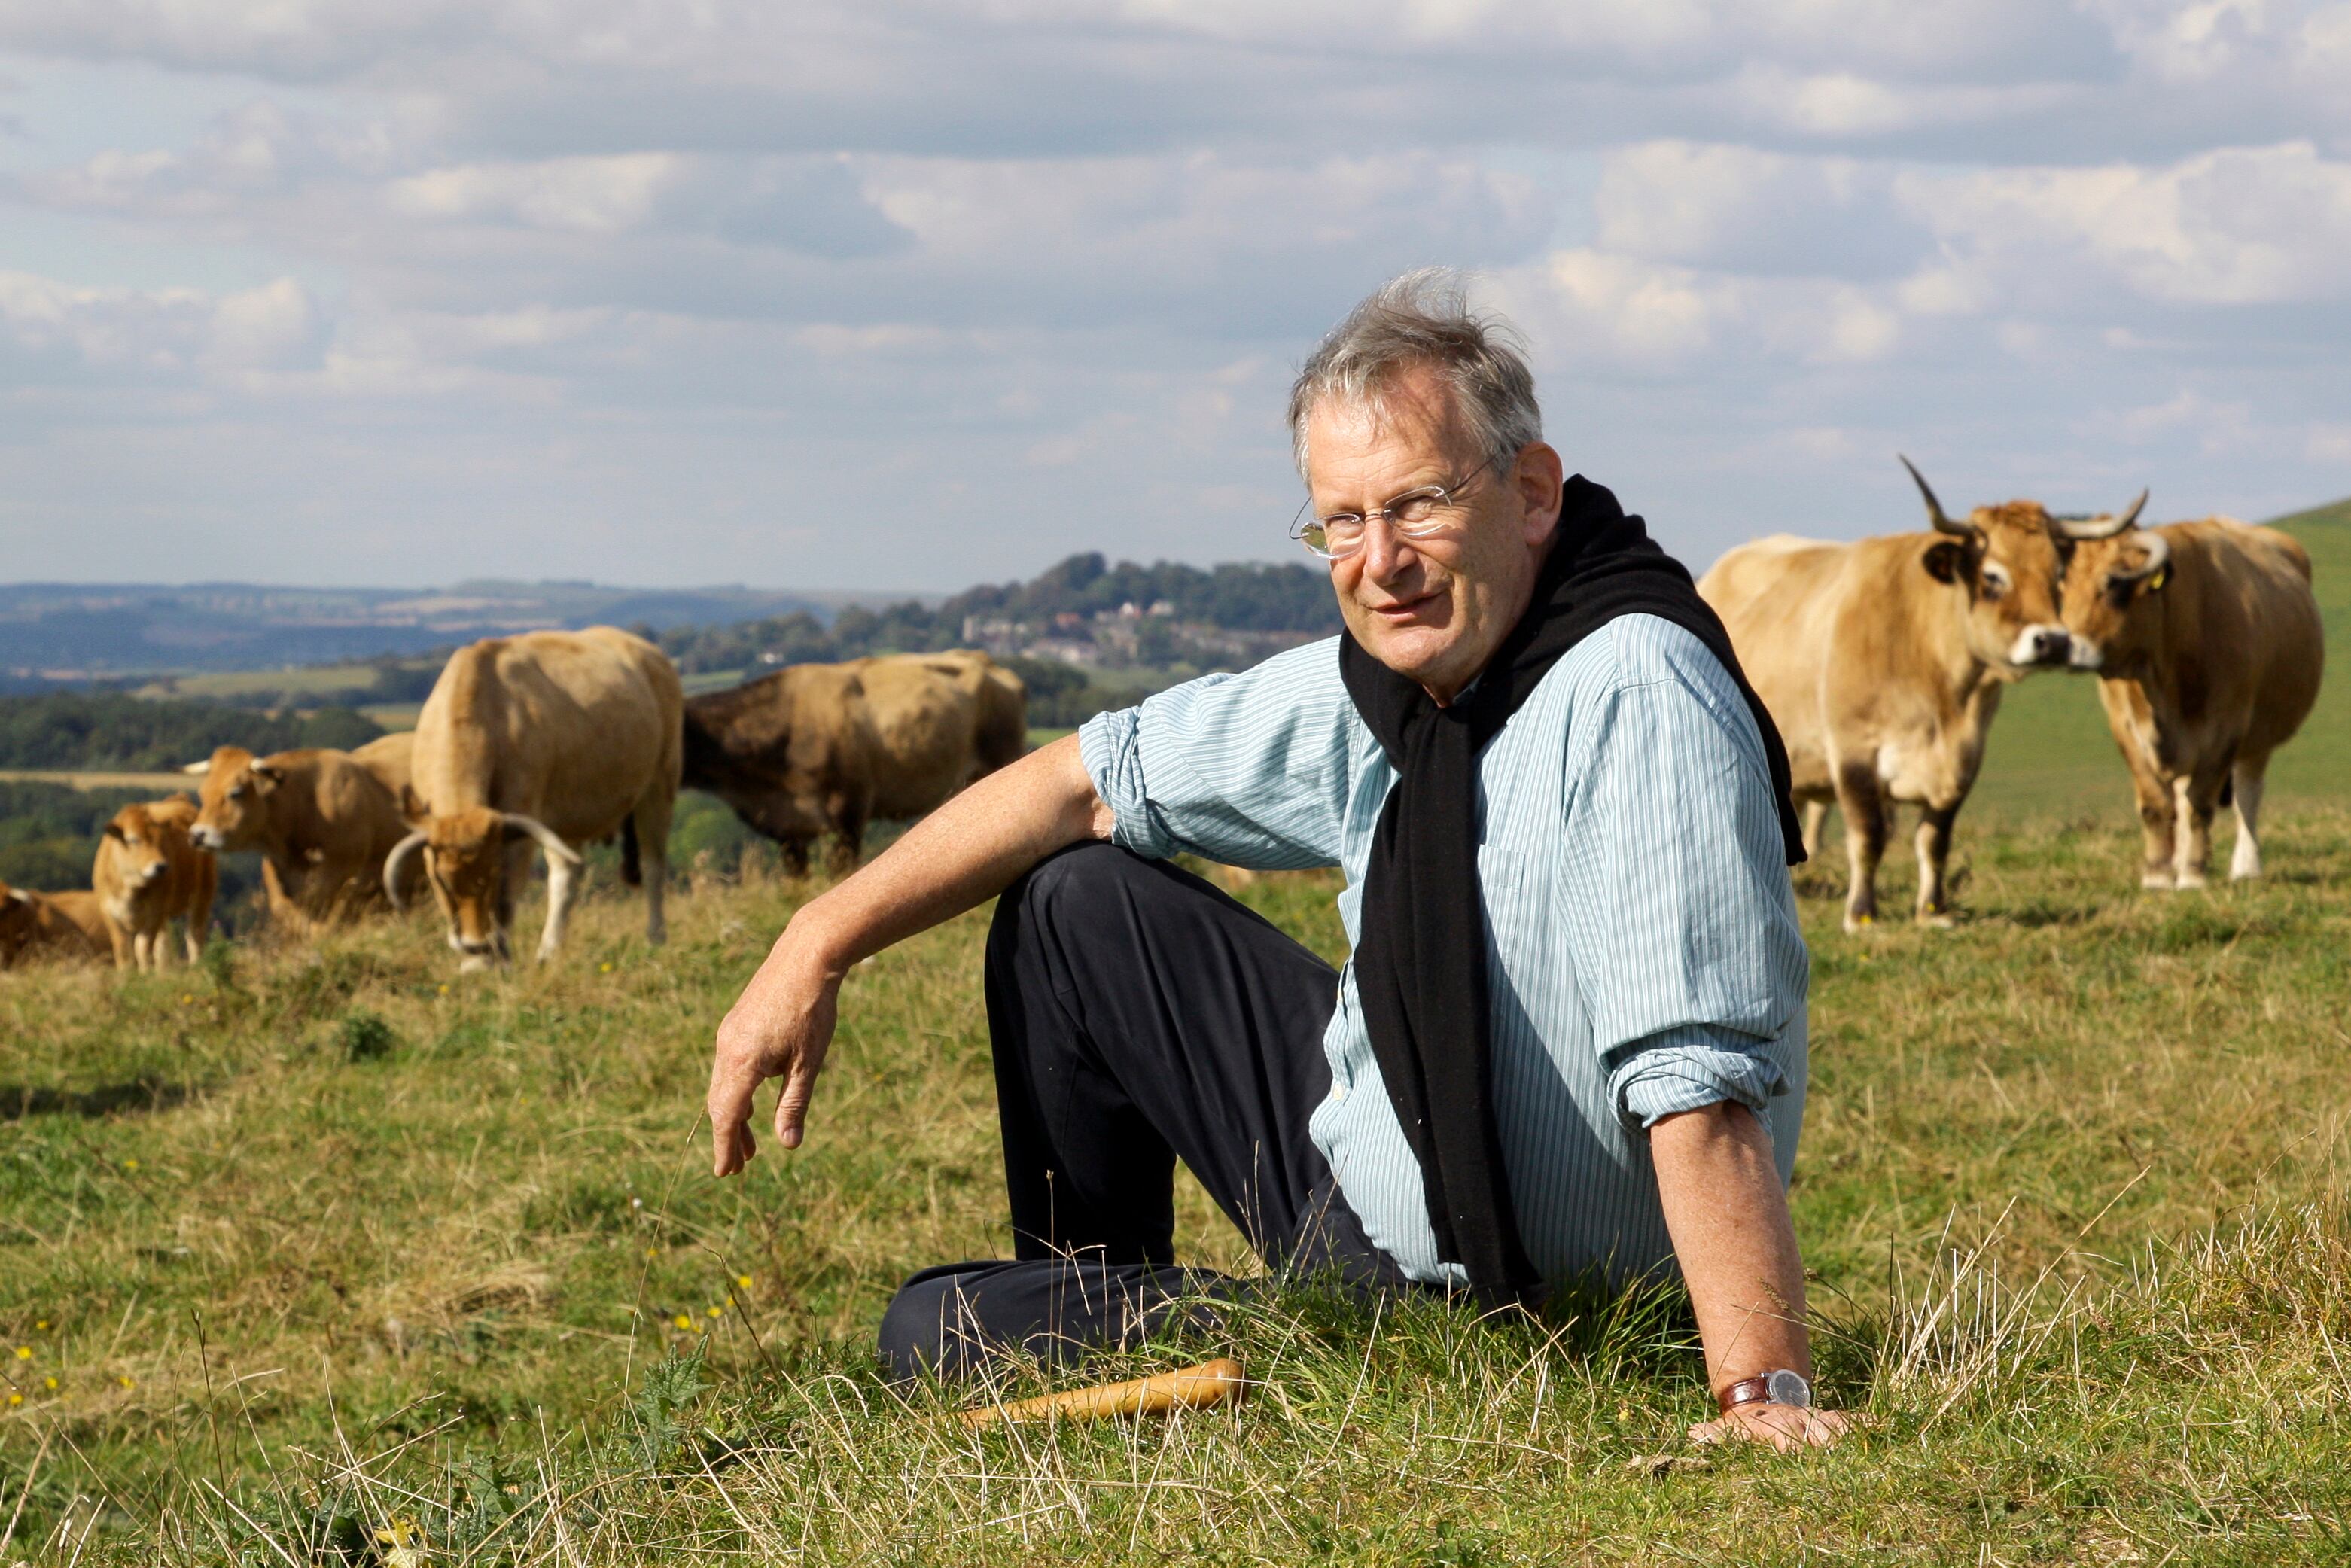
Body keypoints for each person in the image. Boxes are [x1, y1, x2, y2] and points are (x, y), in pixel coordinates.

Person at [707, 269, 1848, 1449]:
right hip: (1390, 1157)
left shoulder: (1633, 687)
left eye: (1417, 504)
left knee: (931, 1330)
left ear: (1533, 493)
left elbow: (1695, 1080)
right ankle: (1104, 1322)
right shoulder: (1399, 689)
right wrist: (817, 941)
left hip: (1508, 1295)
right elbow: (1079, 781)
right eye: (1341, 523)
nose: (1380, 560)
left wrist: (1758, 1395)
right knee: (1073, 903)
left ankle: (1173, 1344)